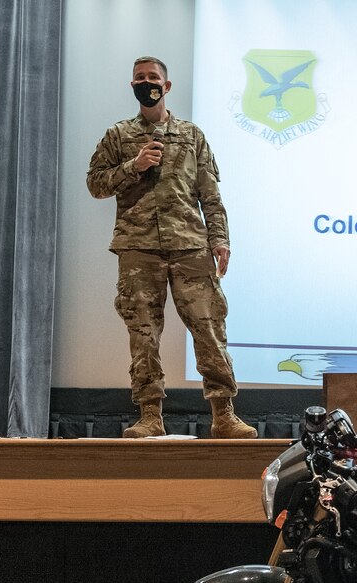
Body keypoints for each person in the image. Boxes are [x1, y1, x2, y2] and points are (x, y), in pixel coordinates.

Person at [87, 56, 256, 439]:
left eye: (153, 78)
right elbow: (96, 184)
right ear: (131, 85)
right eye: (139, 78)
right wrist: (134, 165)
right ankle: (150, 415)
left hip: (190, 246)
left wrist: (220, 239)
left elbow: (209, 194)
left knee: (209, 327)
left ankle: (224, 414)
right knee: (143, 333)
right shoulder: (118, 135)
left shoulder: (192, 135)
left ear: (167, 85)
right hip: (138, 248)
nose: (146, 83)